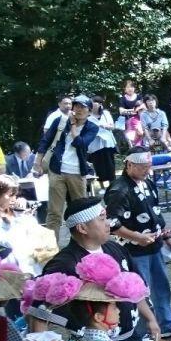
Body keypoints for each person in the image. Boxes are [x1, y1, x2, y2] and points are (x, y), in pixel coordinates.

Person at [42, 197, 165, 341]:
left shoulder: (115, 248)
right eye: (102, 219)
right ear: (82, 228)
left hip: (131, 336)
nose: (109, 223)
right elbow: (39, 309)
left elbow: (134, 288)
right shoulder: (64, 264)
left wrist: (150, 319)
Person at [104, 149, 171, 339]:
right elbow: (111, 224)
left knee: (162, 286)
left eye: (148, 167)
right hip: (133, 250)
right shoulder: (118, 190)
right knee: (140, 290)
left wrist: (166, 236)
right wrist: (136, 237)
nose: (147, 171)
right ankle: (144, 331)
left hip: (154, 245)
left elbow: (155, 214)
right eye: (143, 167)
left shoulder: (149, 184)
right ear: (129, 165)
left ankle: (167, 323)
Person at [34, 94, 100, 236]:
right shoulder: (60, 121)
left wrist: (73, 126)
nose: (79, 109)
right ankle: (52, 248)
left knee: (80, 212)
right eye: (76, 106)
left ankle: (79, 244)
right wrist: (37, 163)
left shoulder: (92, 127)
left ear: (89, 111)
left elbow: (80, 144)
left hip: (77, 173)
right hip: (57, 171)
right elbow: (45, 141)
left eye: (83, 107)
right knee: (54, 213)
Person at [0, 174, 46, 274]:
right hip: (4, 267)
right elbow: (8, 241)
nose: (14, 199)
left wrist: (26, 214)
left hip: (27, 265)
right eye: (10, 195)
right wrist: (21, 217)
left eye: (15, 195)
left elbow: (34, 232)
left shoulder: (13, 212)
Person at [87, 98, 119, 187]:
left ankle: (112, 185)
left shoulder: (106, 113)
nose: (94, 104)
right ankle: (101, 186)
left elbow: (112, 126)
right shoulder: (87, 115)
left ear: (100, 104)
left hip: (107, 142)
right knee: (98, 164)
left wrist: (103, 125)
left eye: (96, 102)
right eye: (92, 102)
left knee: (110, 164)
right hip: (95, 143)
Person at [117, 80, 143, 147]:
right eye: (128, 87)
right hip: (127, 120)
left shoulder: (139, 97)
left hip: (140, 119)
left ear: (134, 88)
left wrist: (130, 111)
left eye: (131, 87)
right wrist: (134, 110)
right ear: (125, 89)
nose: (130, 89)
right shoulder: (122, 99)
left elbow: (143, 107)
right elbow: (121, 111)